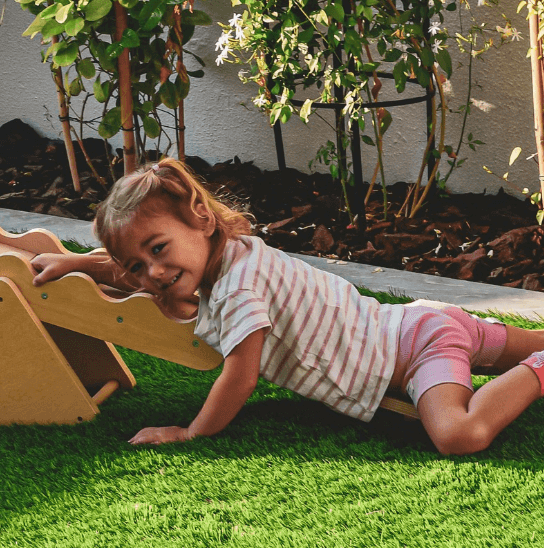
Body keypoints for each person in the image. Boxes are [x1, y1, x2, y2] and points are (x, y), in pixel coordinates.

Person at [30, 158, 544, 455]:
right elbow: (135, 273)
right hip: (422, 324)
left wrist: (192, 430)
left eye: (158, 250)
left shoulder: (238, 290)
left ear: (201, 221)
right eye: (137, 265)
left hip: (421, 350)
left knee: (460, 434)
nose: (153, 275)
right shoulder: (232, 250)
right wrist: (80, 265)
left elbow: (241, 376)